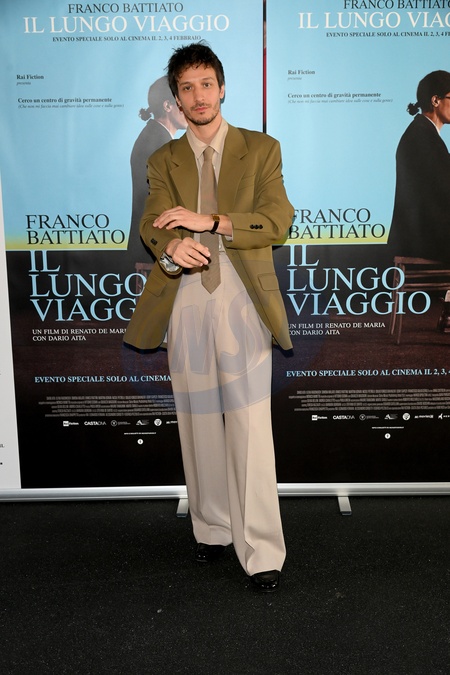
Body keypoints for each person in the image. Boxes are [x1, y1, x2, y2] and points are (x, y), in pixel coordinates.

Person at [124, 42, 294, 592]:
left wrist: (212, 220)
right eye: (186, 87)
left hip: (244, 297)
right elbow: (152, 223)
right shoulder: (163, 159)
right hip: (187, 297)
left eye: (206, 84)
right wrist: (172, 247)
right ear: (177, 99)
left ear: (222, 88)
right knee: (198, 424)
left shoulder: (260, 148)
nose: (198, 96)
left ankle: (261, 551)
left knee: (250, 428)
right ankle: (213, 529)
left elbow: (277, 221)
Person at [388, 70, 450, 331]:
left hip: (422, 228)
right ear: (436, 100)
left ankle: (448, 309)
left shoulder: (422, 132)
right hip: (420, 235)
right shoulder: (422, 137)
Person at [128, 76, 187, 264]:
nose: (190, 107)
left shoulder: (155, 137)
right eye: (182, 101)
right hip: (155, 247)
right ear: (168, 106)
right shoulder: (157, 143)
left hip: (154, 244)